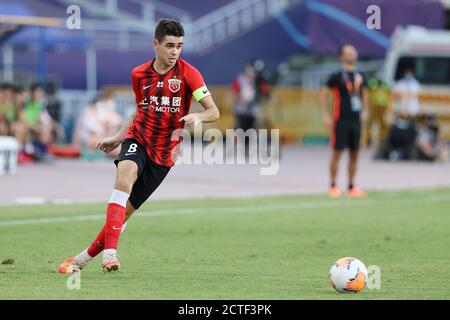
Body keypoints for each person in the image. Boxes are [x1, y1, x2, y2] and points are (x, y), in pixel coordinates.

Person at [58, 19, 220, 274]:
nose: (175, 52)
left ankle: (81, 258)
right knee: (123, 180)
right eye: (170, 46)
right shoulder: (139, 75)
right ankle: (110, 254)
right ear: (155, 44)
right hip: (139, 139)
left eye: (179, 46)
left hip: (165, 154)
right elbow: (139, 112)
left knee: (124, 213)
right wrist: (119, 137)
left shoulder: (190, 73)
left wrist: (197, 117)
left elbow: (214, 111)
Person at [320, 44, 369, 198]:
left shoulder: (360, 75)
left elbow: (365, 94)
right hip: (341, 119)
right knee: (337, 152)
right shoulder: (336, 76)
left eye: (353, 52)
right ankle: (333, 185)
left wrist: (365, 110)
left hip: (356, 120)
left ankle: (351, 186)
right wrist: (326, 115)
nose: (351, 55)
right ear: (341, 56)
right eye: (347, 53)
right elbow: (323, 95)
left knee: (355, 153)